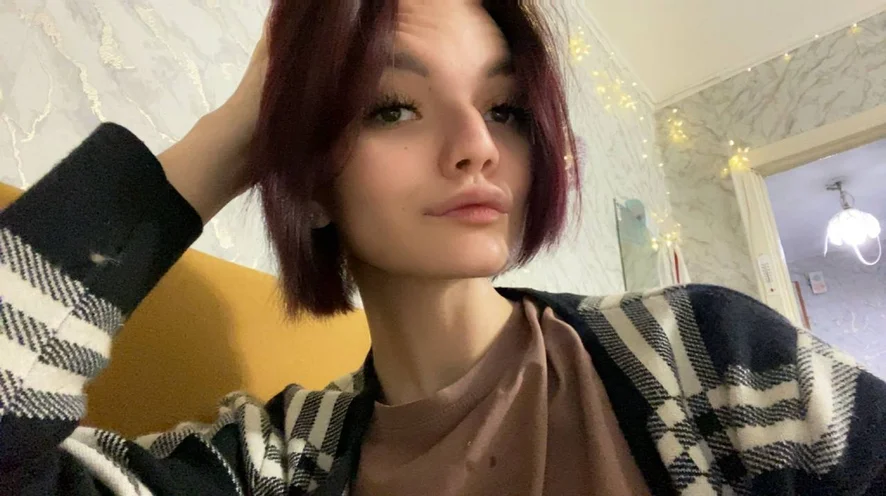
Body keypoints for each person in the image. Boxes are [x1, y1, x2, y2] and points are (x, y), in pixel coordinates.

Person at [1, 0, 885, 494]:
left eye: (505, 109)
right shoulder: (276, 464)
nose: (477, 146)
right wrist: (238, 129)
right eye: (393, 107)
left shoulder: (707, 356)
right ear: (312, 181)